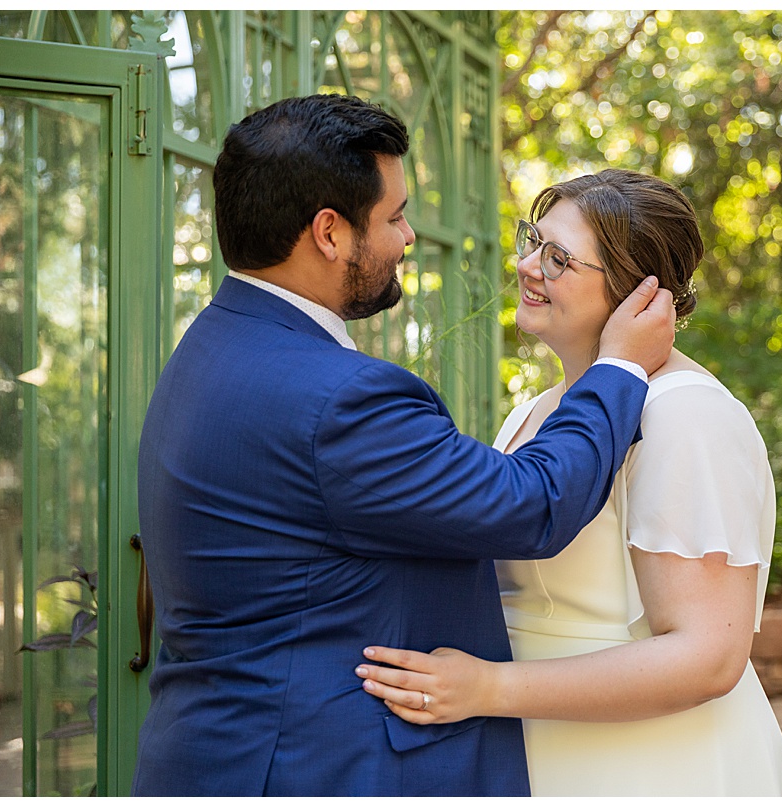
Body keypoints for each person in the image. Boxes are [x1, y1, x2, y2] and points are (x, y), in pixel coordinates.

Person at [131, 96, 676, 797]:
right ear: (329, 232)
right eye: (393, 216)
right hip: (314, 768)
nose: (409, 236)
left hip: (216, 753)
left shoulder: (211, 346)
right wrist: (620, 368)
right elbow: (532, 504)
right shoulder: (338, 400)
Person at [354, 169, 782, 796]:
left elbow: (707, 658)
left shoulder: (686, 414)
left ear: (635, 291)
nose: (529, 266)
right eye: (533, 241)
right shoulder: (534, 412)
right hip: (542, 755)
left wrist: (487, 688)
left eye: (558, 258)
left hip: (655, 768)